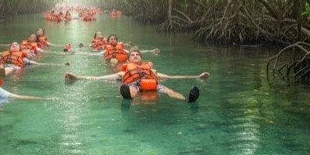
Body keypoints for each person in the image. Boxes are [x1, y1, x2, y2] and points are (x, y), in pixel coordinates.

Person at [64, 48, 208, 102]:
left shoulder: (152, 71)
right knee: (132, 88)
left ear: (141, 58)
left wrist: (197, 76)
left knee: (168, 90)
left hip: (153, 85)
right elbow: (98, 78)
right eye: (132, 55)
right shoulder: (123, 72)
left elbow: (171, 77)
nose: (135, 56)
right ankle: (127, 96)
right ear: (129, 59)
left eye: (137, 55)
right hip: (134, 85)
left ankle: (187, 100)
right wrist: (77, 77)